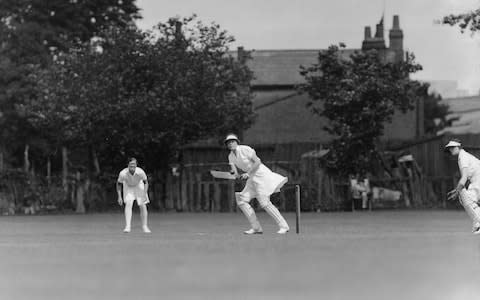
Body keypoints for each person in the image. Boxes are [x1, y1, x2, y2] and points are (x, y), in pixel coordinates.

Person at [225, 134, 290, 234]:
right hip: (251, 179)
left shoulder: (245, 149)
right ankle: (256, 228)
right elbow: (235, 172)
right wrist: (234, 174)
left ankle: (284, 226)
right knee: (242, 200)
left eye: (232, 142)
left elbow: (257, 162)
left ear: (237, 142)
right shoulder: (231, 156)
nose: (230, 144)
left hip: (261, 175)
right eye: (228, 143)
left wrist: (248, 173)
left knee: (264, 203)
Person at [445, 139, 480, 234]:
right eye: (449, 148)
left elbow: (464, 178)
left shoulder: (462, 157)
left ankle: (478, 223)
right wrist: (457, 190)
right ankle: (477, 224)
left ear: (459, 147)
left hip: (478, 181)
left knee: (465, 197)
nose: (451, 150)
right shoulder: (464, 156)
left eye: (452, 147)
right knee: (465, 197)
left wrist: (457, 191)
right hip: (476, 182)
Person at [117, 157, 151, 233]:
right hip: (128, 187)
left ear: (136, 165)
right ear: (128, 165)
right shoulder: (123, 173)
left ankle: (145, 226)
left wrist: (144, 194)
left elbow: (146, 183)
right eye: (131, 165)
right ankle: (127, 226)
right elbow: (119, 184)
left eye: (134, 164)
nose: (132, 167)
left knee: (143, 205)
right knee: (129, 204)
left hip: (139, 186)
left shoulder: (140, 172)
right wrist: (119, 197)